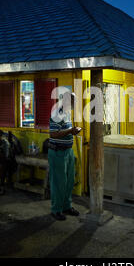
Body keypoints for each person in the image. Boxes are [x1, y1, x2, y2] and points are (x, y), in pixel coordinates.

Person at [49, 91, 82, 220]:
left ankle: (66, 207)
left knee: (69, 182)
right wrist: (70, 131)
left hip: (68, 151)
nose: (74, 104)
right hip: (58, 152)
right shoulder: (56, 113)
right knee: (59, 183)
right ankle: (56, 209)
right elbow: (53, 134)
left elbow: (64, 131)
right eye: (73, 101)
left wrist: (72, 131)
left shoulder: (67, 113)